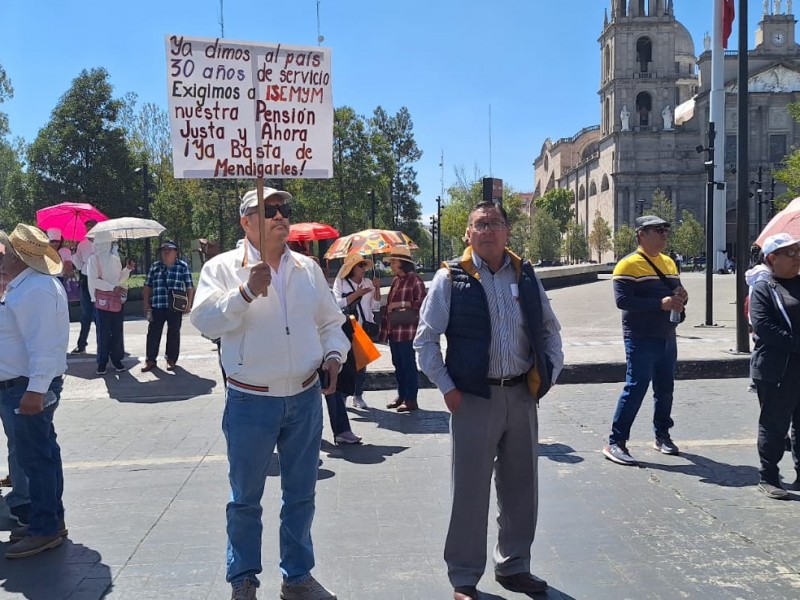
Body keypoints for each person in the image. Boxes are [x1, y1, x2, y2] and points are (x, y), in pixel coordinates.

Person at [190, 187, 348, 600]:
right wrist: (244, 292)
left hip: (305, 396)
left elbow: (331, 322)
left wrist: (333, 355)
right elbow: (204, 321)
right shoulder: (222, 267)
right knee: (245, 498)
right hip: (250, 399)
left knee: (301, 494)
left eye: (284, 210)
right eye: (269, 210)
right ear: (246, 222)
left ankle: (297, 577)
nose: (281, 216)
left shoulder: (308, 269)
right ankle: (243, 578)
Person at [414, 200, 564, 600]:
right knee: (470, 490)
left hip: (520, 394)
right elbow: (425, 340)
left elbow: (549, 330)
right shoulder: (451, 278)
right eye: (480, 224)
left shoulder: (525, 274)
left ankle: (514, 565)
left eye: (495, 223)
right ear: (467, 233)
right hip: (473, 398)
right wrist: (447, 388)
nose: (488, 230)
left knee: (521, 487)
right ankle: (464, 577)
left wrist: (548, 374)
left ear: (507, 231)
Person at [0, 224, 69, 559]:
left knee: (35, 459)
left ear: (18, 257)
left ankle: (45, 527)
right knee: (42, 456)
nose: (2, 258)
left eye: (6, 253)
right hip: (26, 385)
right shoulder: (30, 286)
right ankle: (49, 520)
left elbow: (43, 346)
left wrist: (35, 391)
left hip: (25, 387)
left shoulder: (33, 290)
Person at [602, 215, 688, 466]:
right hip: (640, 337)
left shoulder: (670, 263)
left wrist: (681, 296)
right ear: (641, 234)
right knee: (636, 387)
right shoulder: (627, 265)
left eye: (666, 230)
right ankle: (616, 442)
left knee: (665, 389)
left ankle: (662, 435)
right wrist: (659, 304)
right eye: (658, 230)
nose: (664, 234)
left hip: (667, 335)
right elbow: (623, 302)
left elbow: (675, 294)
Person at [749, 233, 800, 500]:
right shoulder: (764, 288)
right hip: (775, 369)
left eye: (799, 251)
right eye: (790, 253)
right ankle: (768, 477)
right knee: (774, 424)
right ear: (772, 258)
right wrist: (796, 343)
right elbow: (764, 328)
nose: (797, 257)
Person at [378, 246, 426, 412]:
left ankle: (411, 399)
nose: (391, 264)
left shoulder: (415, 281)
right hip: (394, 330)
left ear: (402, 263)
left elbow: (422, 304)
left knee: (408, 365)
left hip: (407, 331)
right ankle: (402, 395)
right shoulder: (397, 281)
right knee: (398, 364)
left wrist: (401, 304)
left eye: (393, 261)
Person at [332, 252, 381, 409]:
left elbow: (376, 306)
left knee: (361, 363)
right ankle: (344, 394)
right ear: (351, 268)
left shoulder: (368, 282)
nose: (364, 268)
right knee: (346, 362)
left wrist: (377, 288)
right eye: (360, 265)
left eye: (364, 265)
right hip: (345, 327)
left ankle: (358, 395)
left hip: (363, 327)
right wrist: (357, 294)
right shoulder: (341, 283)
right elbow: (337, 303)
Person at [142, 241, 195, 372]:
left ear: (176, 252)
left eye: (169, 250)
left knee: (174, 333)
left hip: (175, 307)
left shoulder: (182, 266)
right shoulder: (155, 266)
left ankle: (171, 359)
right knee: (153, 334)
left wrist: (188, 304)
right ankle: (150, 360)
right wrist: (146, 304)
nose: (166, 252)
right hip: (157, 305)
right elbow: (147, 286)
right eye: (163, 250)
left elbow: (189, 286)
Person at [87, 232, 130, 375]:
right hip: (102, 301)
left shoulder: (115, 259)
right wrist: (112, 287)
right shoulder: (93, 260)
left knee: (117, 332)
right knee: (103, 333)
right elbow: (93, 281)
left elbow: (119, 279)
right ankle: (102, 361)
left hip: (115, 299)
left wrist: (128, 269)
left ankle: (116, 359)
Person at [70, 219, 97, 354]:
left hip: (99, 279)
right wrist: (74, 252)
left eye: (91, 227)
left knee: (100, 314)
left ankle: (104, 344)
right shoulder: (82, 244)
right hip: (86, 279)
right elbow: (79, 265)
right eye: (87, 227)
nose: (89, 229)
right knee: (86, 314)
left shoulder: (104, 243)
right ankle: (82, 344)